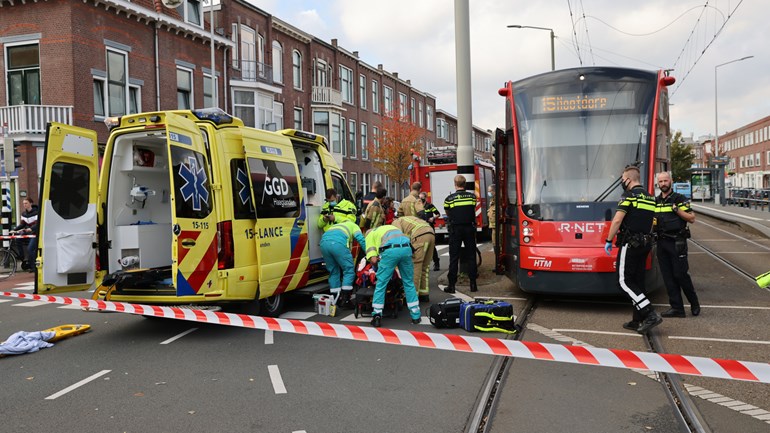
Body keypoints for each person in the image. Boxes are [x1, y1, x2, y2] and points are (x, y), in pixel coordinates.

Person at [604, 166, 662, 334]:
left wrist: (609, 240)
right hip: (645, 244)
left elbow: (617, 220)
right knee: (638, 281)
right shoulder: (650, 198)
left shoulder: (629, 196)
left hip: (631, 244)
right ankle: (638, 320)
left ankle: (650, 313)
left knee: (623, 281)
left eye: (623, 179)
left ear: (628, 180)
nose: (622, 182)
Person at [655, 171, 700, 318]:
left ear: (671, 181)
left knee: (680, 275)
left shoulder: (679, 199)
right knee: (667, 276)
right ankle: (677, 308)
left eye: (665, 181)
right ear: (658, 183)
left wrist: (677, 209)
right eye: (660, 181)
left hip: (677, 242)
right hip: (661, 243)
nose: (663, 184)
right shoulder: (656, 201)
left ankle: (694, 303)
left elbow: (691, 218)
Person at [364, 225, 422, 327]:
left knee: (381, 284)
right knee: (408, 282)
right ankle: (416, 316)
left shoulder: (369, 236)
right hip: (406, 248)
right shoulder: (388, 228)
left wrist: (378, 267)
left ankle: (377, 315)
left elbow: (373, 260)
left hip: (390, 251)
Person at [320, 220, 366, 308]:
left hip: (324, 244)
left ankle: (335, 299)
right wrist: (370, 253)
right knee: (348, 270)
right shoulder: (354, 225)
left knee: (333, 272)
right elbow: (361, 239)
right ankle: (346, 300)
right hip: (338, 244)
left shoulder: (336, 225)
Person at [443, 175, 478, 293]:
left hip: (455, 229)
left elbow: (448, 212)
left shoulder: (450, 199)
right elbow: (472, 208)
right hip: (469, 228)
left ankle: (451, 285)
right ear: (465, 184)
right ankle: (473, 284)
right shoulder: (472, 197)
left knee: (454, 257)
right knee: (471, 256)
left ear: (455, 184)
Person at [391, 215, 435, 303]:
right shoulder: (408, 219)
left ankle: (412, 297)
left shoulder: (395, 223)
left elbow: (399, 239)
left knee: (416, 266)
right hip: (431, 233)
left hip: (420, 236)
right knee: (425, 266)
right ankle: (424, 294)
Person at [11, 197, 39, 271]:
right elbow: (22, 224)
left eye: (26, 203)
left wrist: (31, 229)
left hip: (35, 234)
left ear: (31, 203)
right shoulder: (24, 214)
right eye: (23, 203)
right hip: (28, 233)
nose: (24, 205)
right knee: (17, 239)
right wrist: (14, 230)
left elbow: (38, 224)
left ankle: (33, 267)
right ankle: (21, 256)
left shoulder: (37, 213)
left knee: (30, 249)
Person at [417, 192, 441, 271]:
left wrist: (433, 218)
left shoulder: (430, 206)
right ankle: (422, 264)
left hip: (429, 227)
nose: (420, 200)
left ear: (425, 198)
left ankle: (436, 262)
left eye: (422, 198)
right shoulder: (417, 207)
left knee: (432, 245)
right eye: (419, 198)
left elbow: (438, 214)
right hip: (421, 228)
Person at [487, 184, 497, 254]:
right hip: (493, 226)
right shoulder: (492, 200)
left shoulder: (498, 200)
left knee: (496, 242)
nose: (489, 193)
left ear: (494, 191)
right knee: (494, 241)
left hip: (497, 226)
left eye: (490, 191)